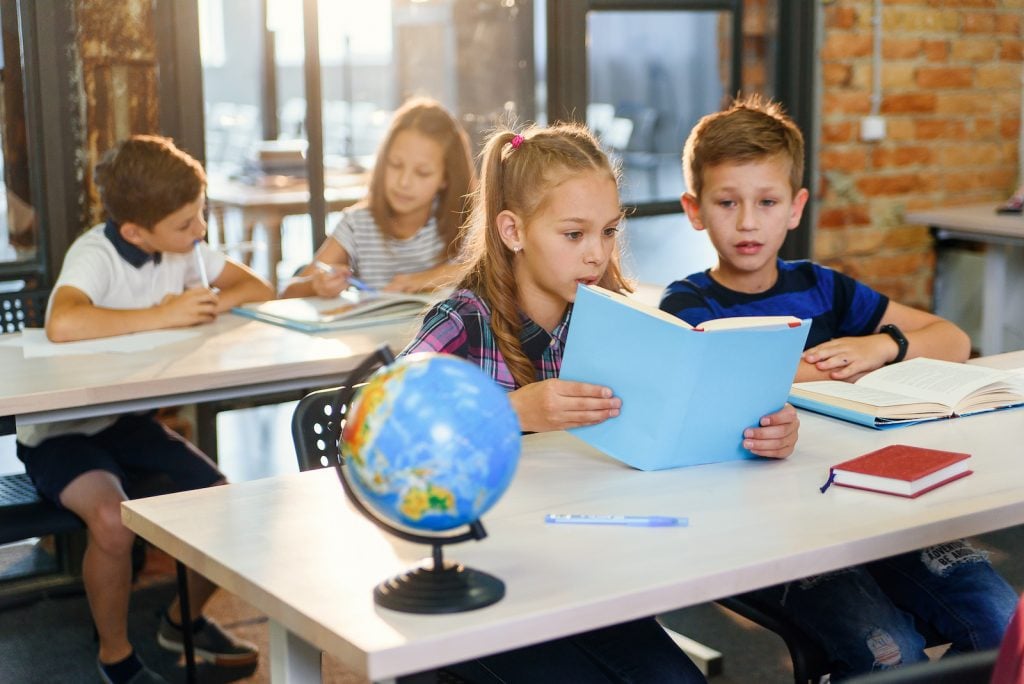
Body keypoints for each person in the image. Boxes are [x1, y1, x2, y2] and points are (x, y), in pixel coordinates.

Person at [401, 122, 800, 682]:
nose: (596, 254)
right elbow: (390, 418)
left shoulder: (617, 317)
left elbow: (675, 418)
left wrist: (760, 423)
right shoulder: (464, 321)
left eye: (608, 232)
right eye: (573, 235)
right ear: (513, 231)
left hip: (590, 574)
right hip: (484, 582)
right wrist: (515, 411)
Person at [659, 95, 1018, 680]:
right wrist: (827, 366)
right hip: (778, 526)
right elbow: (709, 376)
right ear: (695, 210)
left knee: (1005, 621)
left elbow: (952, 338)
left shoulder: (822, 289)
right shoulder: (688, 303)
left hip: (876, 502)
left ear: (796, 207)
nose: (748, 222)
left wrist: (881, 347)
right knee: (889, 650)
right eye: (727, 203)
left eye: (767, 202)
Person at [17, 135, 273, 684]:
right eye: (187, 223)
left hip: (127, 423)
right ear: (135, 231)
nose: (200, 231)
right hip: (61, 435)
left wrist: (204, 304)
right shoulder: (96, 254)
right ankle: (116, 657)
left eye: (199, 215)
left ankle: (178, 622)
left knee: (223, 506)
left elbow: (257, 287)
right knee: (111, 522)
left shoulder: (183, 250)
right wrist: (166, 314)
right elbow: (64, 323)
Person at [281, 97, 475, 297]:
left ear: (446, 178)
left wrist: (420, 280)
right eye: (395, 164)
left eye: (422, 172)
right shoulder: (358, 225)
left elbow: (485, 271)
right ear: (382, 162)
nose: (404, 182)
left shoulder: (467, 221)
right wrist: (316, 285)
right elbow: (287, 294)